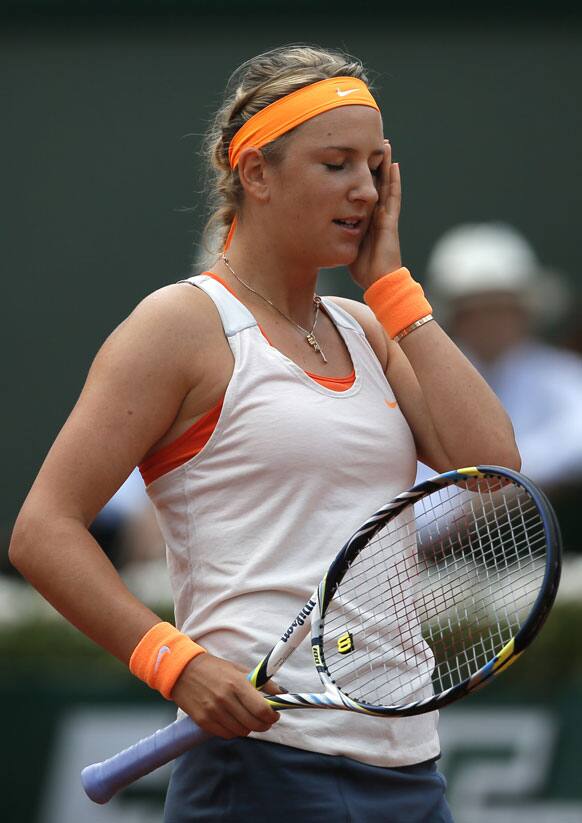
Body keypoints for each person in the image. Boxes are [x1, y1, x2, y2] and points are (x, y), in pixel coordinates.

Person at [9, 45, 520, 822]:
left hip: (411, 767)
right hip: (260, 770)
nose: (364, 189)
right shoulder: (179, 326)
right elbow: (42, 531)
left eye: (376, 165)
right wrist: (176, 664)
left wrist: (391, 286)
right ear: (256, 173)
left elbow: (493, 471)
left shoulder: (367, 327)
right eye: (336, 163)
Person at [422, 222, 582, 491]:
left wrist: (500, 484)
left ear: (524, 311)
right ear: (456, 317)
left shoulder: (563, 372)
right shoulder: (424, 385)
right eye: (477, 311)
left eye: (501, 308)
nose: (492, 322)